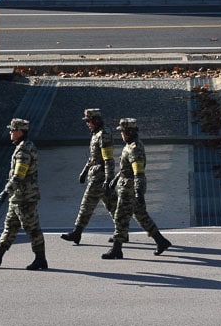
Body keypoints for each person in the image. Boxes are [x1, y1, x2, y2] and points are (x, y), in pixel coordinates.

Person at [0, 118, 48, 270]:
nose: (10, 132)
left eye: (12, 130)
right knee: (10, 226)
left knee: (32, 228)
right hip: (18, 196)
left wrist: (6, 190)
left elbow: (19, 175)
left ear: (19, 132)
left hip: (24, 197)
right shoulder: (25, 145)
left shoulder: (23, 150)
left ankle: (40, 259)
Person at [101, 118, 172, 259]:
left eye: (122, 131)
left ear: (128, 132)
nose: (121, 134)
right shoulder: (129, 145)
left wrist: (139, 192)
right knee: (141, 216)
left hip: (130, 188)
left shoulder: (134, 148)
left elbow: (138, 172)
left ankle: (117, 249)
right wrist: (115, 180)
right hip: (126, 184)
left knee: (121, 217)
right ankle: (161, 241)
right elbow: (124, 168)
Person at [60, 108, 119, 245]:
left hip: (100, 176)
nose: (87, 124)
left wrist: (109, 178)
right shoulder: (96, 133)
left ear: (96, 120)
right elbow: (93, 157)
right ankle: (122, 231)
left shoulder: (104, 134)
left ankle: (77, 232)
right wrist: (84, 171)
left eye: (89, 121)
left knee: (87, 204)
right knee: (113, 205)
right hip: (97, 173)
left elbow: (108, 158)